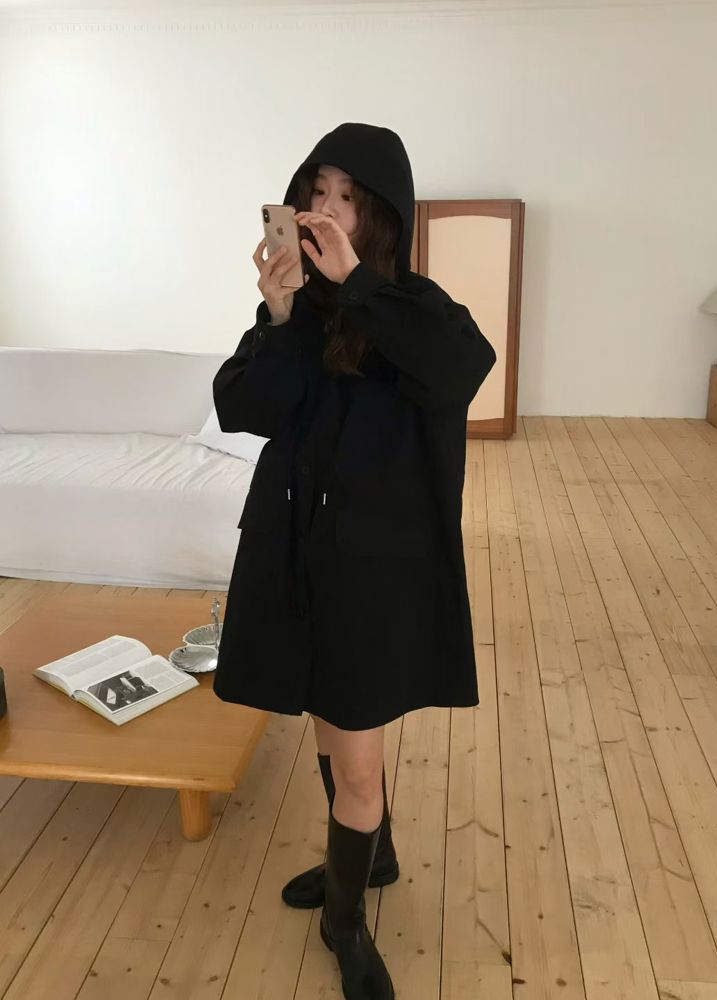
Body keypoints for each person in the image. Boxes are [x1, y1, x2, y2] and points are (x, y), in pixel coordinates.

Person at [211, 122, 496, 1000]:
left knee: (358, 759)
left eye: (347, 197)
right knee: (332, 716)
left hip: (377, 567)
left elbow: (463, 368)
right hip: (301, 553)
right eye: (316, 191)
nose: (325, 210)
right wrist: (280, 315)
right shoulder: (303, 311)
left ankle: (344, 924)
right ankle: (376, 856)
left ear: (380, 216)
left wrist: (359, 286)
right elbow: (243, 408)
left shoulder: (411, 305)